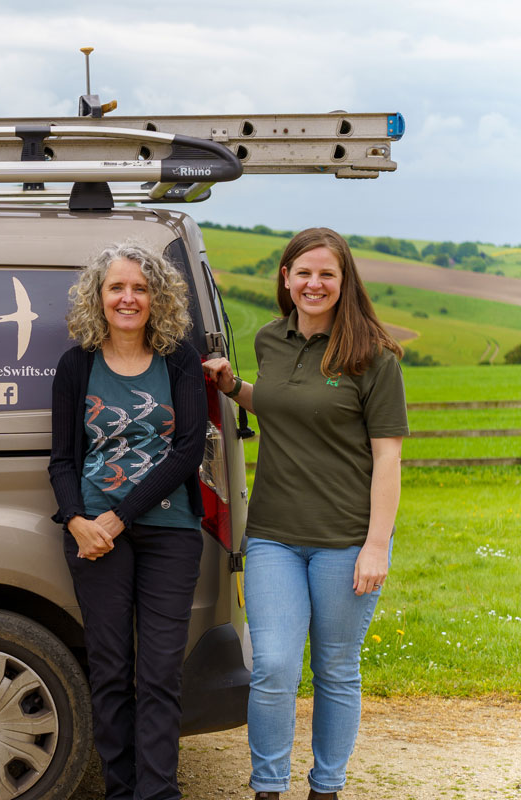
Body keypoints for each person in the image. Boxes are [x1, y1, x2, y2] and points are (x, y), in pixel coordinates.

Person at [203, 227, 407, 800]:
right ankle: (268, 787)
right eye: (303, 272)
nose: (314, 283)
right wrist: (234, 385)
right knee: (273, 667)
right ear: (285, 278)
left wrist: (375, 545)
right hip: (273, 536)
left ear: (345, 283)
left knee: (336, 669)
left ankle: (326, 788)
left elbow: (388, 458)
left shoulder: (373, 356)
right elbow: (278, 403)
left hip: (347, 541)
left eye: (327, 274)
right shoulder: (271, 339)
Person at [48, 241, 207, 800]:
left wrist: (117, 517)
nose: (128, 297)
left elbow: (188, 451)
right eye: (117, 287)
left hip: (171, 533)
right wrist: (76, 520)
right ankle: (122, 790)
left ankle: (158, 793)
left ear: (157, 297)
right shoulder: (77, 365)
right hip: (92, 536)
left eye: (140, 288)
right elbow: (62, 460)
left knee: (159, 674)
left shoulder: (179, 359)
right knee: (111, 671)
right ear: (99, 295)